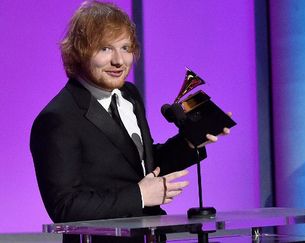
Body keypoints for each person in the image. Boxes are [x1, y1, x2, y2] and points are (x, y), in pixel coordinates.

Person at [30, 1, 229, 242]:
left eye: (125, 47)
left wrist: (189, 143)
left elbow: (144, 166)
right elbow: (64, 208)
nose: (119, 61)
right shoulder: (57, 119)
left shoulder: (130, 96)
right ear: (79, 51)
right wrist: (140, 196)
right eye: (105, 49)